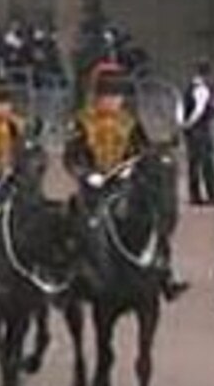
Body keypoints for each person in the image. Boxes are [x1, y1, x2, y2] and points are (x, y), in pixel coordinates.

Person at [64, 60, 188, 301]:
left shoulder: (129, 122)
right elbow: (71, 157)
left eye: (117, 97)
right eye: (108, 96)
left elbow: (141, 149)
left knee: (151, 218)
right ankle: (73, 276)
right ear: (98, 97)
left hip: (123, 185)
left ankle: (164, 273)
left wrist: (135, 165)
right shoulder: (81, 121)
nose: (113, 102)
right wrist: (87, 174)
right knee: (81, 226)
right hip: (94, 189)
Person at [181, 60, 214, 206]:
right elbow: (198, 110)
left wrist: (183, 124)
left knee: (194, 163)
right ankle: (212, 194)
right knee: (207, 163)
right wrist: (190, 123)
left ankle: (195, 194)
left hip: (191, 130)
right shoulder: (202, 89)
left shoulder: (189, 87)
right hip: (200, 129)